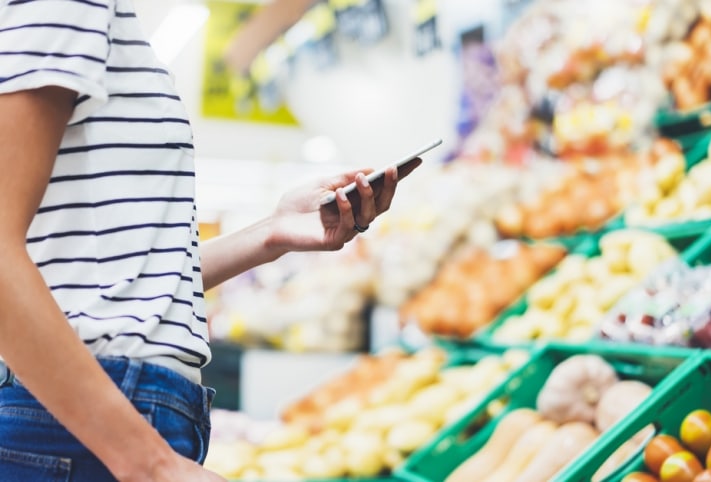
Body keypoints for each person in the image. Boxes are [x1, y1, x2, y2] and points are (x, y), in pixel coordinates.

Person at [0, 0, 419, 480]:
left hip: (99, 422)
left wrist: (271, 233)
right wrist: (148, 462)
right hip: (88, 426)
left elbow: (117, 275)